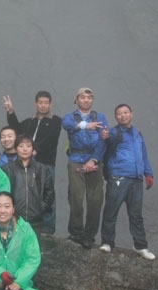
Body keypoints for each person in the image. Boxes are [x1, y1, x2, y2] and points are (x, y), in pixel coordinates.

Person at [99, 104, 156, 260]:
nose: (123, 115)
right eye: (119, 114)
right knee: (111, 210)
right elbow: (102, 141)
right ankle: (107, 243)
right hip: (118, 176)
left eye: (125, 112)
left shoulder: (138, 133)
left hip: (136, 179)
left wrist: (148, 173)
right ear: (116, 117)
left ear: (131, 114)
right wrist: (103, 135)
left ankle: (141, 246)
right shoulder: (113, 132)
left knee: (136, 214)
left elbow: (143, 155)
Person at [5, 92, 62, 233]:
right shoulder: (30, 121)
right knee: (27, 194)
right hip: (27, 163)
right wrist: (11, 112)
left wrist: (35, 150)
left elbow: (51, 139)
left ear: (50, 104)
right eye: (40, 102)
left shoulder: (55, 120)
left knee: (47, 195)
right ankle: (24, 224)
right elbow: (17, 130)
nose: (43, 105)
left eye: (46, 102)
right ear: (35, 104)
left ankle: (48, 228)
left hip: (45, 163)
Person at [62, 87, 108, 249]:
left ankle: (89, 235)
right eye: (83, 97)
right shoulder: (70, 117)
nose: (86, 100)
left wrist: (94, 160)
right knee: (76, 197)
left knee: (95, 200)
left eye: (89, 97)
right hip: (76, 159)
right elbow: (66, 124)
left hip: (95, 161)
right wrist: (84, 125)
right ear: (77, 99)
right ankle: (76, 233)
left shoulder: (100, 117)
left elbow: (104, 139)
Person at [2, 135, 55, 233]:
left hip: (36, 220)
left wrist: (42, 208)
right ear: (16, 149)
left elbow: (49, 192)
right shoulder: (7, 169)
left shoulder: (42, 169)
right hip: (13, 219)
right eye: (21, 146)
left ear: (33, 150)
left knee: (34, 247)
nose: (25, 149)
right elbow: (2, 192)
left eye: (28, 146)